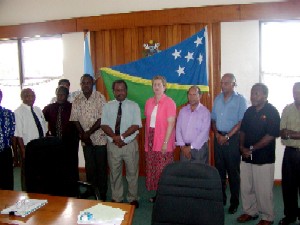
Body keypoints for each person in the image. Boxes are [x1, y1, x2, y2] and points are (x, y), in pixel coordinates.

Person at [237, 83, 280, 225]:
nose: (253, 96)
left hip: (263, 158)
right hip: (246, 156)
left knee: (263, 190)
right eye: (252, 93)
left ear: (265, 95)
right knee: (246, 187)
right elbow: (242, 130)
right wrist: (242, 147)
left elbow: (270, 135)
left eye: (257, 93)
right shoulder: (249, 111)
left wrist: (251, 148)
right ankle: (250, 211)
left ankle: (267, 217)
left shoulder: (272, 111)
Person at [101, 80, 142, 208]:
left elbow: (136, 125)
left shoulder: (134, 106)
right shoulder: (107, 106)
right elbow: (104, 124)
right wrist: (114, 138)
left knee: (132, 172)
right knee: (114, 173)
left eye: (122, 89)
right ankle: (117, 197)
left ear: (126, 91)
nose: (120, 92)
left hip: (129, 144)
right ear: (113, 91)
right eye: (117, 90)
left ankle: (132, 198)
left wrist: (122, 137)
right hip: (113, 145)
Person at [211, 73, 247, 214]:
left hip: (232, 140)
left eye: (226, 82)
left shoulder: (240, 100)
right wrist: (217, 134)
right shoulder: (218, 99)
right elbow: (213, 119)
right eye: (222, 82)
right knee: (219, 172)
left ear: (234, 84)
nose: (223, 85)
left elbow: (241, 122)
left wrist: (226, 136)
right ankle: (222, 199)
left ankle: (234, 202)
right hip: (218, 137)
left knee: (233, 173)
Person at [70, 74, 107, 201]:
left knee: (101, 167)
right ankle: (91, 190)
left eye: (88, 83)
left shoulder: (99, 97)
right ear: (80, 85)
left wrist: (89, 133)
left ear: (92, 84)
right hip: (85, 140)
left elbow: (103, 118)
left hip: (99, 138)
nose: (86, 85)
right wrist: (83, 135)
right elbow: (74, 119)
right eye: (83, 83)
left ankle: (102, 193)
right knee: (90, 167)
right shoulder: (77, 99)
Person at [43, 86, 79, 196]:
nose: (60, 96)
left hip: (70, 142)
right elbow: (41, 121)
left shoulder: (73, 107)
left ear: (67, 96)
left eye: (62, 94)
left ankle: (73, 189)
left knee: (71, 166)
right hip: (54, 143)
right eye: (58, 94)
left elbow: (77, 123)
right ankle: (58, 189)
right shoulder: (50, 108)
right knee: (56, 166)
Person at [144, 75, 176, 203]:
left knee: (163, 170)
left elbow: (171, 124)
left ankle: (165, 196)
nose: (156, 87)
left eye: (159, 85)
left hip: (164, 140)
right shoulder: (148, 102)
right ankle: (158, 195)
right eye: (154, 84)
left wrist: (165, 143)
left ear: (164, 87)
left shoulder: (170, 102)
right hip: (151, 139)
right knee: (154, 168)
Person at [14, 88, 47, 190]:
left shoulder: (37, 109)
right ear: (23, 97)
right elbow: (18, 134)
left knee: (40, 170)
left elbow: (44, 126)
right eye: (28, 96)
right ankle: (27, 191)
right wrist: (23, 151)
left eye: (33, 96)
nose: (31, 98)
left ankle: (40, 189)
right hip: (28, 146)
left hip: (41, 145)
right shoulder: (18, 112)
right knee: (28, 172)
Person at [278, 82, 300, 225]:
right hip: (290, 154)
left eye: (298, 92)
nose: (296, 94)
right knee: (288, 186)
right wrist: (296, 134)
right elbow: (282, 132)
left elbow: (287, 133)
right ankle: (290, 215)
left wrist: (290, 133)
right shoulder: (287, 109)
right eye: (294, 92)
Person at [176, 85, 210, 164]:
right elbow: (178, 129)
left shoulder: (205, 112)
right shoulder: (183, 111)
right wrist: (183, 147)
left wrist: (190, 148)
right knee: (185, 174)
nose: (191, 97)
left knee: (199, 174)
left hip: (199, 150)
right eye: (189, 95)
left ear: (200, 96)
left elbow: (204, 133)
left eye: (194, 94)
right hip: (184, 149)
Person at [0, 90, 16, 190]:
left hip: (5, 151)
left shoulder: (8, 113)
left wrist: (15, 154)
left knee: (7, 182)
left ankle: (8, 204)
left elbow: (13, 135)